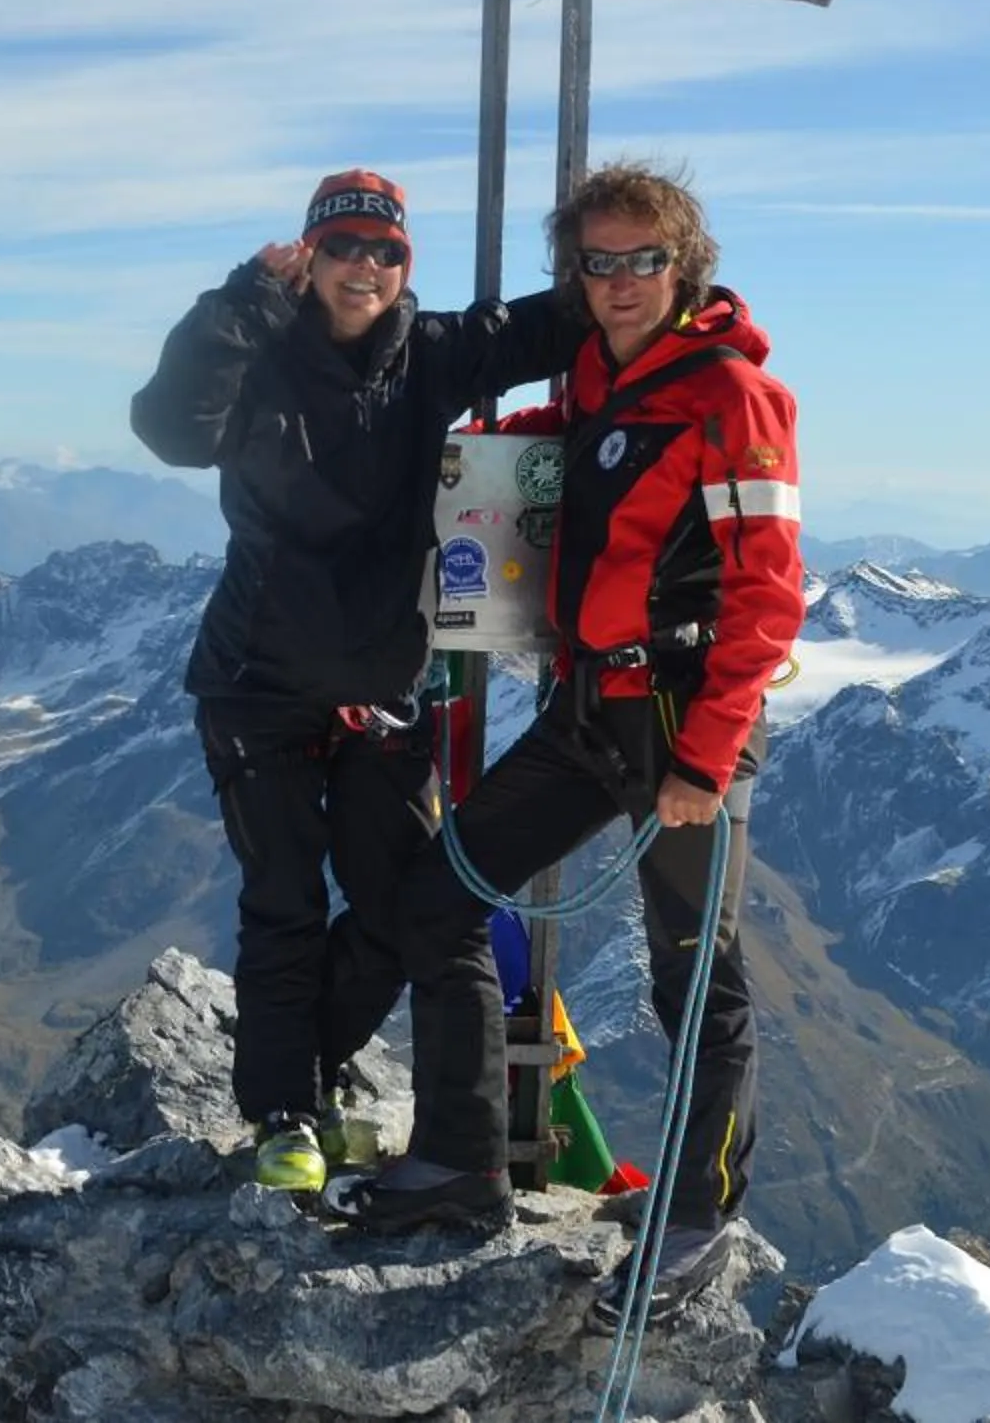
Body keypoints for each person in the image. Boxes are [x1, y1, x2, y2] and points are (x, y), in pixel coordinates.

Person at [332, 159, 803, 1333]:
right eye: (598, 260)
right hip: (592, 711)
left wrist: (706, 758)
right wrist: (479, 441)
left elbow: (767, 595)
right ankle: (463, 1159)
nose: (621, 279)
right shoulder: (602, 372)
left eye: (644, 258)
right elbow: (583, 449)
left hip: (680, 720)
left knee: (695, 979)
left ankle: (697, 1217)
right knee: (446, 893)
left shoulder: (734, 397)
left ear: (683, 264)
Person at [131, 167, 581, 1195]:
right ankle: (286, 1111)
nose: (365, 266)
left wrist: (648, 270)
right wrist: (243, 297)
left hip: (384, 691)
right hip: (259, 688)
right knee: (283, 899)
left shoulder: (430, 354)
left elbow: (547, 328)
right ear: (310, 257)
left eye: (386, 250)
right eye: (344, 247)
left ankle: (313, 1071)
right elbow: (168, 426)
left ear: (402, 264)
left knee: (398, 904)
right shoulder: (256, 351)